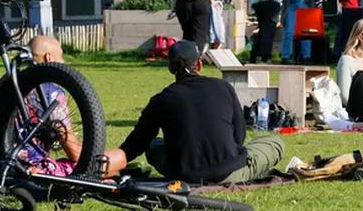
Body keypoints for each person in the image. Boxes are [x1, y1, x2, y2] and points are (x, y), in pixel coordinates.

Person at [104, 41, 284, 183]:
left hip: (183, 174)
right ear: (199, 64)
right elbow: (239, 137)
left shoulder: (161, 99)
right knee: (274, 142)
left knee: (152, 145)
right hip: (229, 172)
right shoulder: (223, 87)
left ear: (171, 69)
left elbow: (136, 144)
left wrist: (109, 163)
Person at [0, 36, 79, 177]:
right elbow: (74, 152)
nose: (63, 62)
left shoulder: (4, 87)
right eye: (61, 57)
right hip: (27, 171)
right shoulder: (52, 93)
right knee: (90, 165)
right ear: (49, 58)